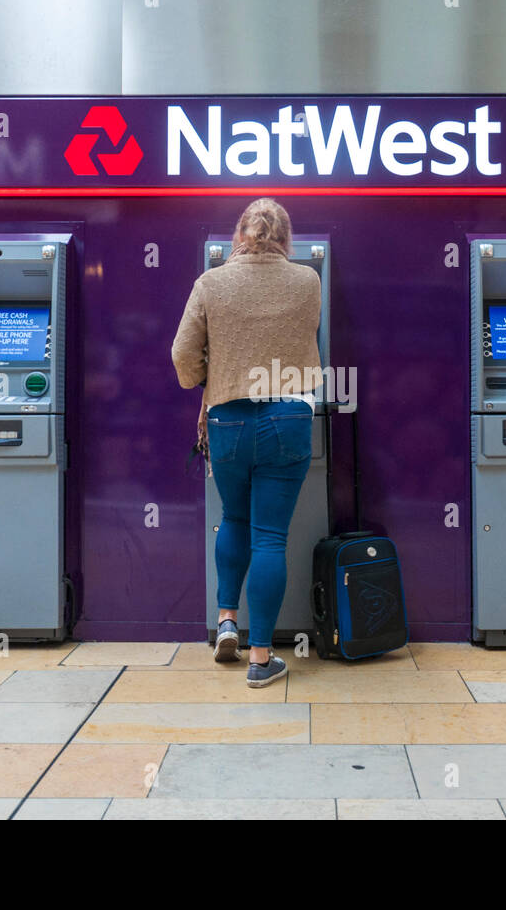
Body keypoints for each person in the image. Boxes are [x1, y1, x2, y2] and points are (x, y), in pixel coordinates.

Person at [171, 198, 322, 688]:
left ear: (239, 235)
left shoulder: (210, 282)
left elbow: (182, 355)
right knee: (270, 537)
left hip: (228, 419)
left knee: (233, 518)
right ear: (286, 238)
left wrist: (208, 378)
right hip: (288, 416)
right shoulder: (308, 280)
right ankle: (260, 659)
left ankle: (227, 622)